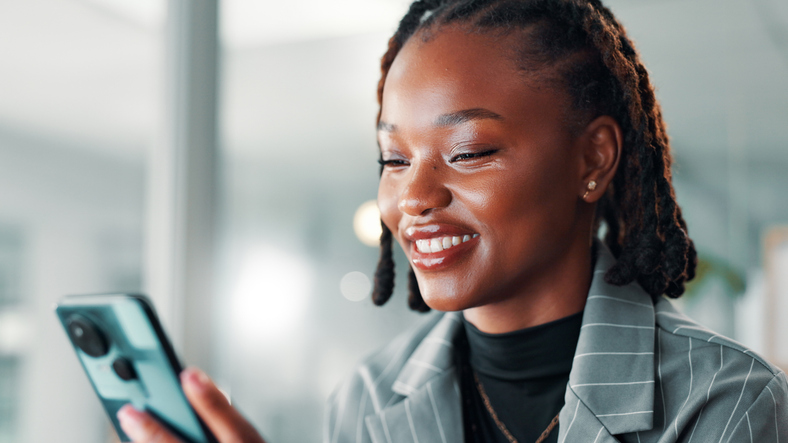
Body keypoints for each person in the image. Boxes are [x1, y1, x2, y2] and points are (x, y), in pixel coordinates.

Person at [116, 0, 788, 442]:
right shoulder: (367, 398)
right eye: (394, 158)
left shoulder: (727, 404)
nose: (414, 194)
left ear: (594, 157)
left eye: (468, 152)